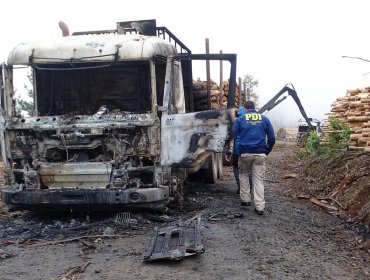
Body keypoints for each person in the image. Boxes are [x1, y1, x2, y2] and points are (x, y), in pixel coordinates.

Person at [233, 100, 275, 215]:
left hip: (245, 153)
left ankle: (246, 200)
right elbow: (272, 138)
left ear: (245, 109)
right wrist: (267, 151)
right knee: (258, 179)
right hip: (260, 153)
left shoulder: (240, 119)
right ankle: (260, 207)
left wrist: (230, 149)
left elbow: (233, 135)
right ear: (254, 108)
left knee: (244, 175)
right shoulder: (264, 119)